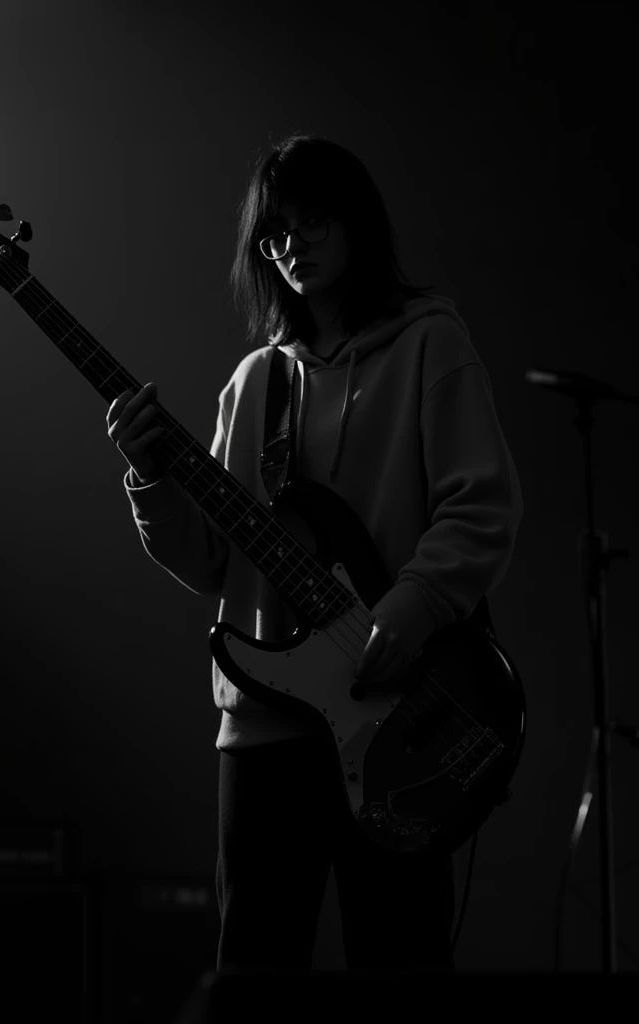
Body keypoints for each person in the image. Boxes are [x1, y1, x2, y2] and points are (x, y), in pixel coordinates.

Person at [105, 133, 523, 972]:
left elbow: (482, 507)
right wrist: (149, 479)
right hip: (266, 732)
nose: (291, 246)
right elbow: (216, 564)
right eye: (274, 235)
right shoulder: (253, 384)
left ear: (356, 221)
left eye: (312, 222)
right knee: (252, 970)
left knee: (400, 957)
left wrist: (410, 609)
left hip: (398, 714)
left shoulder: (431, 345)